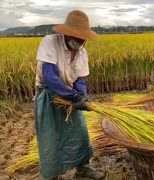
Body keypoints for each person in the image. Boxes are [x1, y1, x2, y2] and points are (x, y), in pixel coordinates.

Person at [34, 10, 104, 179]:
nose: (80, 41)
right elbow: (50, 75)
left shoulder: (82, 52)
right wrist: (73, 96)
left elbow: (79, 78)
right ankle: (52, 175)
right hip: (49, 95)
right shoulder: (50, 42)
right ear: (67, 33)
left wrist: (83, 96)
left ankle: (83, 169)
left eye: (83, 38)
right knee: (51, 137)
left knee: (79, 132)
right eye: (77, 36)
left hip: (69, 93)